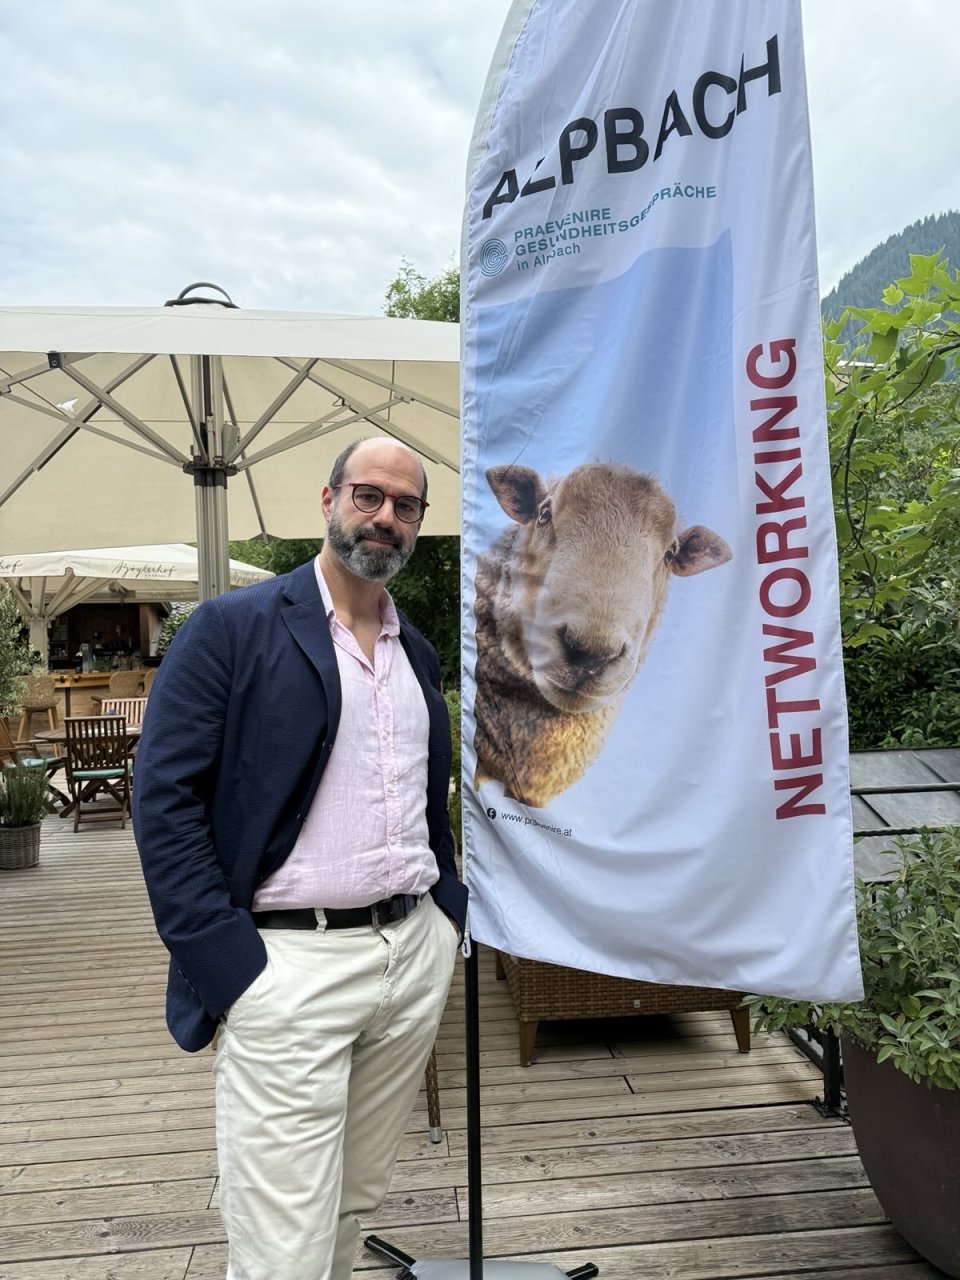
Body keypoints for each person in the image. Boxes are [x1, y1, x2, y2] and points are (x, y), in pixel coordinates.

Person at [132, 436, 466, 1280]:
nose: (385, 517)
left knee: (352, 1202)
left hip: (410, 960)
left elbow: (426, 798)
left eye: (406, 505)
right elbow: (163, 800)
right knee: (283, 1246)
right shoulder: (229, 629)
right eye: (368, 495)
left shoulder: (416, 652)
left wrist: (446, 919)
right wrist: (231, 968)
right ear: (328, 500)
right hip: (287, 969)